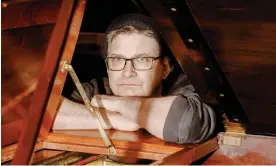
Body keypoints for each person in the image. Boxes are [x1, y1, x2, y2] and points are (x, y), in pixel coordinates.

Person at [53, 13, 216, 144]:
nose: (127, 72)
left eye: (142, 59)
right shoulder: (96, 90)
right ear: (107, 67)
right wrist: (113, 119)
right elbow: (36, 111)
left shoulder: (183, 87)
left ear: (165, 68)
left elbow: (187, 124)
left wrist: (116, 104)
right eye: (117, 59)